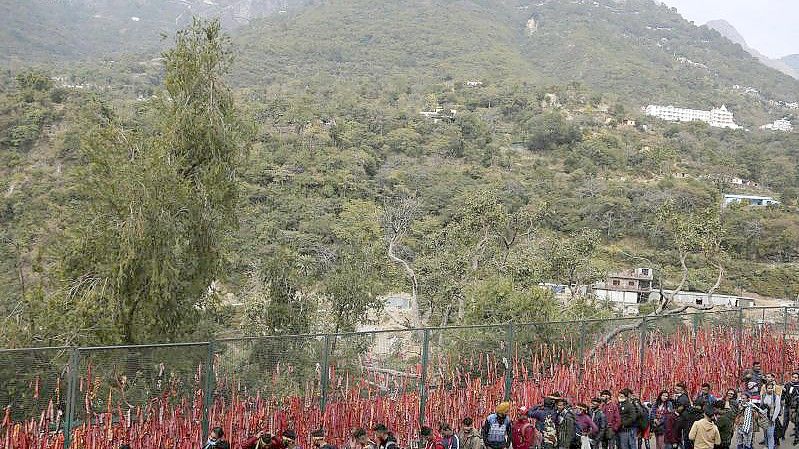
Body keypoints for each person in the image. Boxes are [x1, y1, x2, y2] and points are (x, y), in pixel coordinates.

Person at [761, 382, 782, 449]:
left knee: (770, 434)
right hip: (764, 418)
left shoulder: (776, 397)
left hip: (771, 418)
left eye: (771, 388)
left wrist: (773, 419)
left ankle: (771, 447)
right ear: (766, 389)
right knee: (765, 434)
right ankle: (766, 446)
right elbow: (761, 406)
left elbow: (777, 408)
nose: (770, 389)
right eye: (769, 388)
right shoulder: (763, 395)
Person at [784, 371, 799, 445]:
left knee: (797, 422)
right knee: (788, 421)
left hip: (796, 408)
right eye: (793, 377)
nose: (794, 379)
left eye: (796, 378)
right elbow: (784, 395)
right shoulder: (787, 385)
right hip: (788, 406)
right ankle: (783, 434)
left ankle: (797, 438)